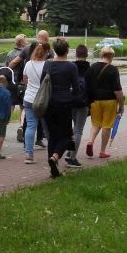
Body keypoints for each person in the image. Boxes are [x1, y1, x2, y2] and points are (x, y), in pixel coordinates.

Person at [41, 38, 80, 178]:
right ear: (68, 50)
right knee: (65, 135)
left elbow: (42, 83)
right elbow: (76, 89)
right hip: (64, 104)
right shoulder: (71, 67)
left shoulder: (48, 64)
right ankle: (55, 157)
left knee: (52, 135)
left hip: (48, 104)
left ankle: (53, 171)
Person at [10, 30, 53, 147]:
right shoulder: (49, 50)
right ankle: (40, 138)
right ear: (46, 38)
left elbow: (14, 62)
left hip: (28, 90)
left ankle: (26, 142)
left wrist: (11, 73)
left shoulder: (27, 49)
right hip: (43, 92)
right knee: (42, 117)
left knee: (29, 121)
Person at [84, 46, 125, 160]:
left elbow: (86, 84)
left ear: (102, 55)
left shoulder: (92, 67)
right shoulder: (113, 69)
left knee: (96, 124)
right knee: (106, 126)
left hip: (95, 101)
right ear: (111, 56)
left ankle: (90, 142)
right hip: (109, 102)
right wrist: (121, 105)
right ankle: (102, 151)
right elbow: (118, 91)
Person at [21, 42, 51, 164]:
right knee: (47, 127)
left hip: (29, 98)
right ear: (46, 53)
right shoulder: (48, 65)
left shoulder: (28, 64)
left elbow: (25, 80)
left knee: (30, 126)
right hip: (43, 100)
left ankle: (29, 154)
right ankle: (52, 153)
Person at [66, 44, 91, 167]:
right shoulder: (89, 69)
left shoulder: (71, 66)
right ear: (86, 55)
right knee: (79, 130)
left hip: (70, 100)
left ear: (76, 54)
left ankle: (68, 152)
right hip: (83, 102)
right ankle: (72, 157)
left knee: (72, 128)